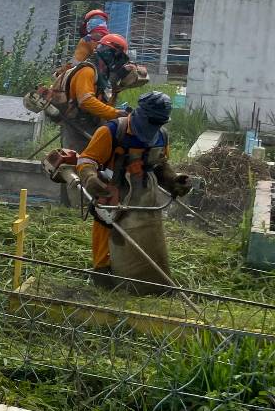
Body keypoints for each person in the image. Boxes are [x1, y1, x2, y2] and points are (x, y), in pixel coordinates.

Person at [72, 91, 192, 290]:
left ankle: (142, 279)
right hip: (111, 192)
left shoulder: (161, 136)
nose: (155, 126)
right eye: (152, 121)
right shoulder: (111, 132)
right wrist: (90, 177)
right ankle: (102, 274)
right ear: (140, 114)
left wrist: (174, 181)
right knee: (106, 227)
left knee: (145, 234)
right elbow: (86, 160)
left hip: (143, 195)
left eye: (159, 122)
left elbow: (160, 165)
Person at [58, 33, 131, 155]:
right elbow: (85, 101)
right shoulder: (87, 71)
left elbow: (104, 103)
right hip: (77, 127)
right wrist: (115, 114)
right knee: (75, 164)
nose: (118, 62)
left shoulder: (102, 75)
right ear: (109, 53)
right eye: (118, 57)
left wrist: (117, 89)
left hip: (91, 125)